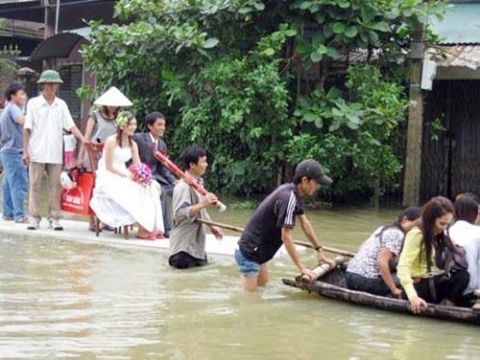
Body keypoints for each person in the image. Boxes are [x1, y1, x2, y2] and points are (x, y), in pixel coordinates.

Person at [236, 159, 336, 291]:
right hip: (251, 253)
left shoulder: (293, 193)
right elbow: (286, 237)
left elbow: (305, 224)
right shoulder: (289, 198)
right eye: (316, 183)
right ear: (305, 180)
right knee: (249, 301)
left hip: (259, 254)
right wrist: (302, 268)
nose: (317, 187)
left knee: (262, 289)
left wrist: (319, 250)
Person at [23, 70, 88, 231]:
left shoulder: (61, 105)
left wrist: (83, 139)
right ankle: (34, 218)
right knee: (35, 186)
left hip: (55, 152)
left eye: (55, 84)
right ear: (43, 85)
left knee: (55, 187)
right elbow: (27, 128)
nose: (53, 87)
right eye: (50, 84)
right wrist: (25, 151)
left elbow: (70, 125)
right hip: (37, 150)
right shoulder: (33, 104)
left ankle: (54, 218)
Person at [89, 111, 164, 239]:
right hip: (109, 175)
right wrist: (126, 176)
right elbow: (109, 166)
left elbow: (138, 164)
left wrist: (143, 176)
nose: (133, 127)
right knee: (134, 190)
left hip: (125, 172)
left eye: (135, 124)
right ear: (122, 126)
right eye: (130, 124)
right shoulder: (111, 141)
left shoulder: (133, 144)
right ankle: (144, 228)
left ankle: (148, 227)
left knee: (151, 187)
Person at [397, 196, 470, 314]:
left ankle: (448, 304)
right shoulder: (417, 234)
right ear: (431, 219)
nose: (444, 228)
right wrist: (413, 297)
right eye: (441, 223)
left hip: (433, 282)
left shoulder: (438, 235)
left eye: (447, 224)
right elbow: (403, 266)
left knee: (463, 276)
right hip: (419, 285)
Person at [76, 86, 132, 231]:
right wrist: (80, 157)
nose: (113, 107)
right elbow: (86, 138)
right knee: (94, 188)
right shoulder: (95, 116)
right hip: (94, 156)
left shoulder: (120, 118)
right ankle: (92, 221)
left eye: (115, 104)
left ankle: (107, 220)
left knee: (112, 188)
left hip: (112, 158)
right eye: (110, 103)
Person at [345, 206, 421, 297]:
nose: (417, 229)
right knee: (411, 276)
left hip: (350, 275)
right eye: (417, 225)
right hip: (366, 281)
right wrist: (394, 289)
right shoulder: (397, 234)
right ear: (405, 219)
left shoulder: (383, 228)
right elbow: (381, 261)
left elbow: (360, 248)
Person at [168, 145, 224, 269]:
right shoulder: (182, 187)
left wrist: (212, 226)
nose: (206, 165)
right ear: (192, 165)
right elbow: (179, 214)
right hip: (183, 248)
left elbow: (201, 211)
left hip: (196, 247)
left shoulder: (198, 183)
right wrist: (202, 204)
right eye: (203, 162)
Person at [133, 112, 177, 237]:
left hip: (157, 177)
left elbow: (162, 168)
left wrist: (174, 181)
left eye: (164, 125)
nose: (163, 128)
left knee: (179, 190)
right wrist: (140, 174)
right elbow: (130, 158)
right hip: (141, 177)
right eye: (159, 124)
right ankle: (167, 228)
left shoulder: (162, 144)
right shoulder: (138, 138)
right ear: (150, 126)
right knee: (161, 191)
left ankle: (181, 227)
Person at [0, 83, 28, 223]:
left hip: (6, 151)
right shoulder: (13, 109)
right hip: (14, 152)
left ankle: (8, 213)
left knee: (7, 184)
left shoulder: (5, 110)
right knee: (18, 184)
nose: (23, 97)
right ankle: (20, 215)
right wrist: (34, 119)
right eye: (21, 94)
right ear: (13, 96)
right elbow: (22, 121)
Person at [448, 194, 480, 306]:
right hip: (472, 292)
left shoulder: (446, 231)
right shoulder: (478, 232)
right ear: (474, 213)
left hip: (449, 288)